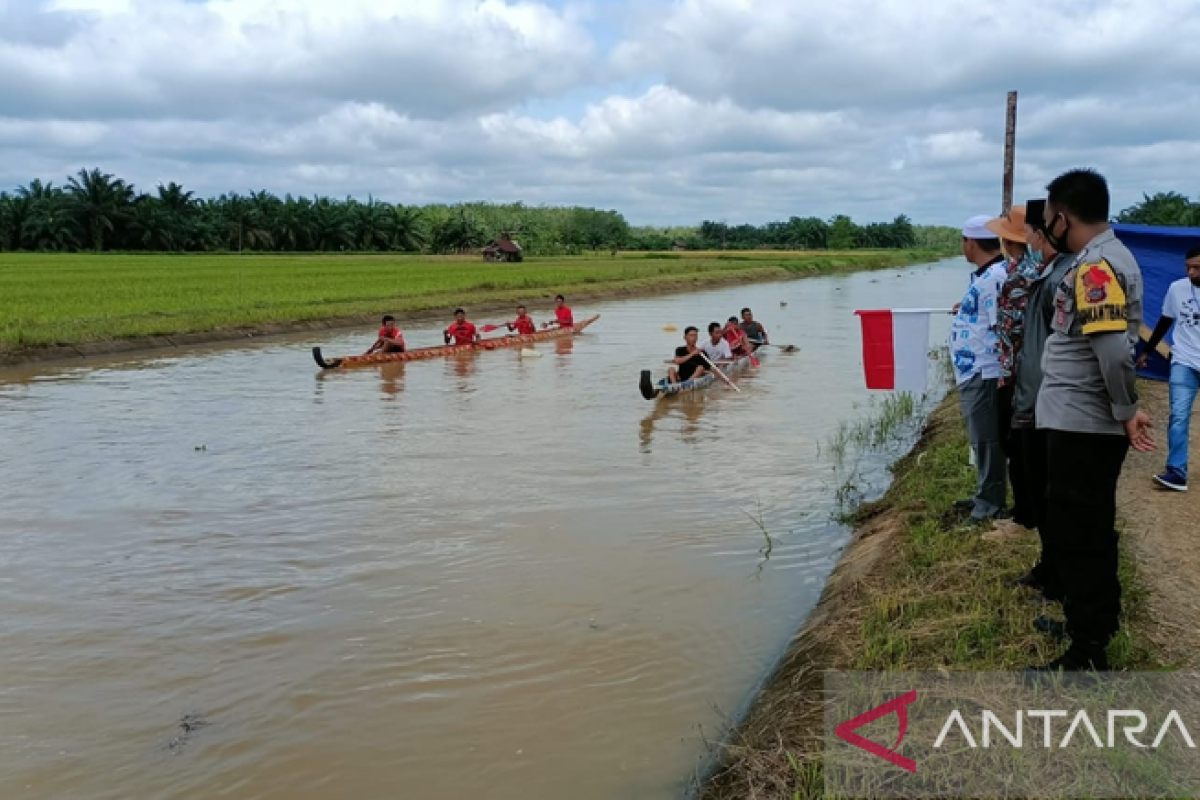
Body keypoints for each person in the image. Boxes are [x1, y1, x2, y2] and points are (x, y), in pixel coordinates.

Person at [1030, 168, 1154, 673]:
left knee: (1081, 532)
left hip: (1085, 423)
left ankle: (1088, 652)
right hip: (1078, 420)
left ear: (1062, 217)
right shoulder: (1100, 258)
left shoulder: (1096, 268)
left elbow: (1114, 354)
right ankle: (1091, 621)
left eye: (1046, 220)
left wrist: (1126, 412)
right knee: (1084, 528)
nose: (1045, 228)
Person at [1006, 199, 1070, 599]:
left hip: (1043, 405)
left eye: (1031, 232)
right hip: (1033, 400)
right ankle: (1050, 567)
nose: (1027, 240)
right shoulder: (1049, 273)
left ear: (1041, 234)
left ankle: (1059, 577)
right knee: (1040, 493)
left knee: (1051, 496)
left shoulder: (1059, 277)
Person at [949, 214, 1009, 522]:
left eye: (963, 241)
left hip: (984, 371)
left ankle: (991, 503)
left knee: (987, 438)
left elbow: (1004, 328)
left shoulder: (996, 277)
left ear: (970, 243)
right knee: (981, 437)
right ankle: (985, 494)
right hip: (974, 370)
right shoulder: (987, 276)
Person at [1138, 245, 1200, 492]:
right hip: (1184, 360)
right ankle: (1177, 471)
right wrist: (1147, 351)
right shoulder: (1177, 289)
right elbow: (1165, 321)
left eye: (1197, 267)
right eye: (1188, 267)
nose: (1191, 272)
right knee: (1179, 417)